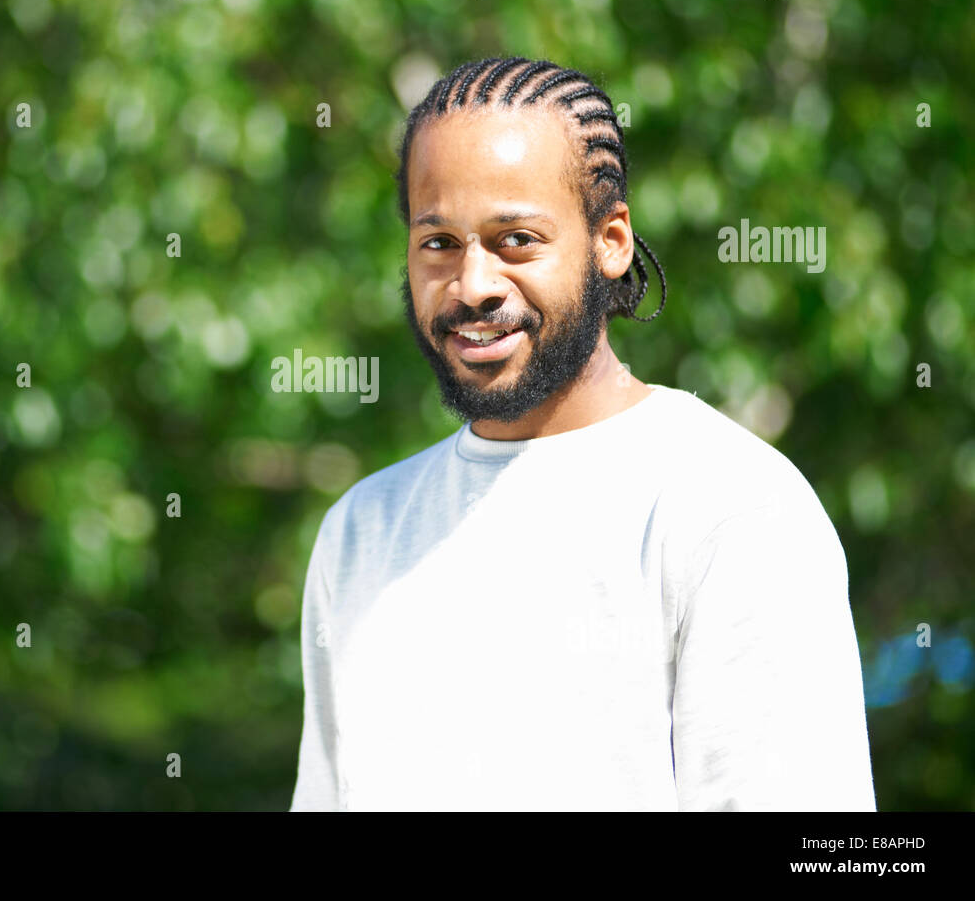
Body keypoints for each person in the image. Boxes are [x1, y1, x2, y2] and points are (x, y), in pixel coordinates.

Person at [289, 57, 876, 811]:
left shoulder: (730, 510)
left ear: (612, 241)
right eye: (438, 242)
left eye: (517, 240)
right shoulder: (360, 534)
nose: (473, 286)